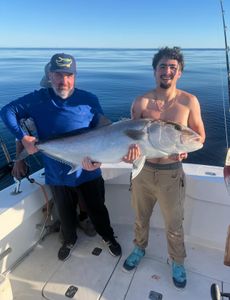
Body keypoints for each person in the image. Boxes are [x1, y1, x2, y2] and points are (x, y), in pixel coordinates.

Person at [1, 52, 121, 261]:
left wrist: (99, 159)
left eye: (68, 75)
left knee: (98, 209)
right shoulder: (37, 98)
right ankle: (69, 240)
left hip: (88, 171)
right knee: (65, 215)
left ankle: (108, 236)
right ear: (49, 75)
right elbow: (6, 111)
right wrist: (23, 138)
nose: (63, 81)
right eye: (58, 74)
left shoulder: (89, 99)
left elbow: (105, 133)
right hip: (57, 174)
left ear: (75, 76)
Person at [122, 47, 205, 289]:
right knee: (140, 217)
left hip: (171, 174)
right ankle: (139, 248)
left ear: (179, 72)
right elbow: (129, 138)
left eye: (172, 67)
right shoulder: (142, 101)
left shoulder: (189, 101)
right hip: (143, 171)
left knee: (174, 223)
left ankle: (177, 261)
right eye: (162, 66)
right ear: (154, 70)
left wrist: (186, 148)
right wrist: (128, 155)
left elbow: (200, 137)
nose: (167, 71)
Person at [11, 63, 96, 237]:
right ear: (49, 79)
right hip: (55, 161)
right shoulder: (38, 105)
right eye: (55, 78)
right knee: (62, 199)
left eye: (66, 77)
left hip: (80, 157)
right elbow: (23, 131)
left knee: (84, 194)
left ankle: (84, 218)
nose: (59, 84)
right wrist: (20, 159)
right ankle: (66, 226)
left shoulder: (80, 101)